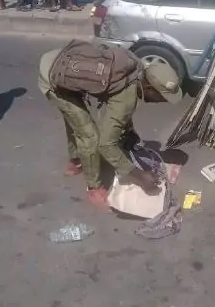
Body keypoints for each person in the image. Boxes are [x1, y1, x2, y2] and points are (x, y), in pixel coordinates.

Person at [38, 41, 182, 211]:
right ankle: (94, 188)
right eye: (161, 97)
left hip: (64, 62)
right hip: (54, 77)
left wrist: (130, 133)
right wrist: (139, 175)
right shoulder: (127, 97)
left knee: (76, 120)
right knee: (89, 135)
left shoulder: (136, 69)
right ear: (149, 87)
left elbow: (119, 116)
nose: (160, 102)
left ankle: (76, 161)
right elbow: (105, 144)